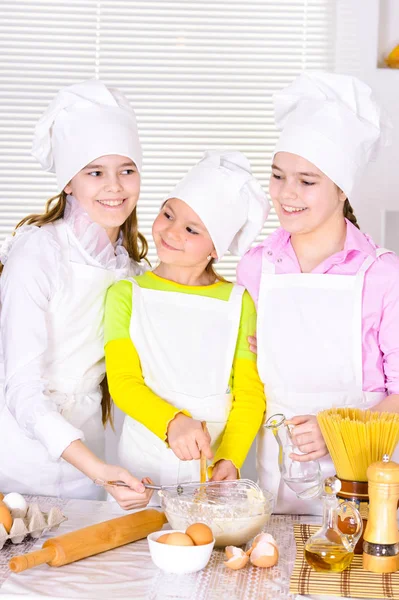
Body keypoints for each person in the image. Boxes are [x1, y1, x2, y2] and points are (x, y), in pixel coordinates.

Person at [237, 71, 399, 514]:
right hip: (278, 473)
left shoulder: (382, 275)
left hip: (364, 475)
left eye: (307, 181)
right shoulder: (257, 266)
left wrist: (336, 430)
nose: (286, 194)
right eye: (277, 176)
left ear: (342, 189)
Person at [0, 80, 153, 509]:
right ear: (69, 182)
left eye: (127, 169)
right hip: (19, 461)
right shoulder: (37, 254)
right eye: (95, 172)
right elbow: (22, 391)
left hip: (89, 457)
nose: (115, 186)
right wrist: (96, 468)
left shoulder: (129, 268)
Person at [104, 150, 269, 489]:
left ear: (215, 249)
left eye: (192, 229)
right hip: (141, 465)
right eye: (168, 214)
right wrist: (171, 422)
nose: (171, 231)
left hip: (209, 472)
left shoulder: (240, 303)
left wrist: (231, 457)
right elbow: (123, 380)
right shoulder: (126, 293)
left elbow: (249, 394)